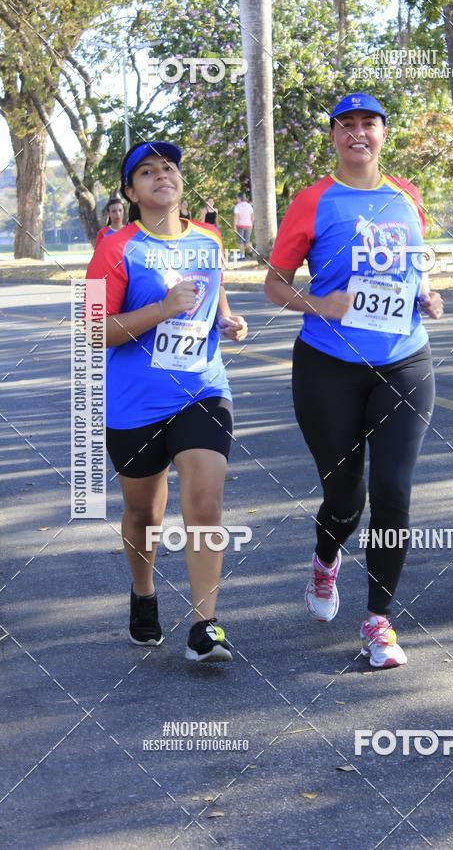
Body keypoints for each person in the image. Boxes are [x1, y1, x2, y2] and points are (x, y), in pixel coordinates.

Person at [264, 93, 443, 668]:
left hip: (405, 362)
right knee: (346, 497)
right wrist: (322, 304)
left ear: (384, 134)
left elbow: (411, 271)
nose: (358, 133)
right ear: (335, 137)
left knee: (393, 490)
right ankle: (324, 561)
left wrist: (426, 296)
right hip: (328, 367)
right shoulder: (313, 200)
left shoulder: (406, 196)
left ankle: (378, 622)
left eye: (369, 123)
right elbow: (274, 285)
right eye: (347, 125)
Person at [86, 140, 248, 663]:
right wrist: (160, 309)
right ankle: (143, 591)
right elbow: (93, 329)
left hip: (202, 388)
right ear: (132, 192)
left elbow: (212, 295)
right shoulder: (114, 248)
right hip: (134, 401)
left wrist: (226, 319)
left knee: (205, 500)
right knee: (142, 513)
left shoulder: (208, 239)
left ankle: (206, 625)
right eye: (148, 171)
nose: (163, 175)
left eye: (170, 168)